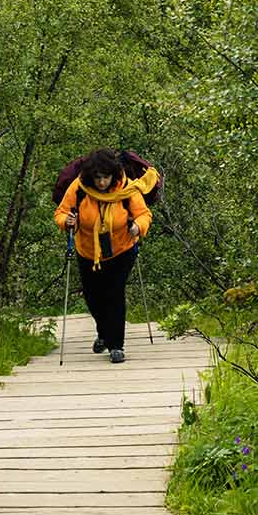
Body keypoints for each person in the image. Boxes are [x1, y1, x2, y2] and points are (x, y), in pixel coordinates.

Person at [53, 148, 155, 364]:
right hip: (87, 250)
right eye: (97, 178)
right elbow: (61, 213)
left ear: (114, 175)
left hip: (122, 248)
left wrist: (138, 227)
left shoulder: (126, 188)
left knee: (114, 293)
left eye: (106, 177)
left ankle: (116, 345)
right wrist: (66, 222)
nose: (101, 183)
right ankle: (103, 332)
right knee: (93, 296)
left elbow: (143, 214)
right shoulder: (79, 188)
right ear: (91, 176)